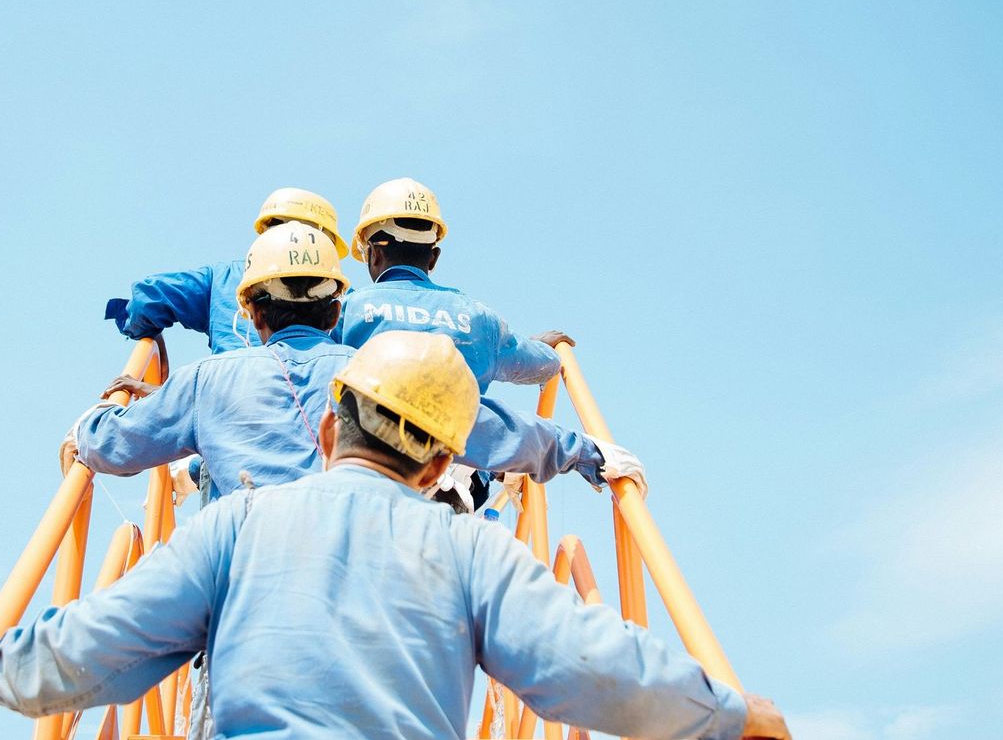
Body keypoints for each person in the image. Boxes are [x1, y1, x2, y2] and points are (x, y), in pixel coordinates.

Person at [0, 331, 790, 740]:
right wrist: (726, 713)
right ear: (439, 464)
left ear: (330, 428)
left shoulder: (234, 526)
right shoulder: (474, 549)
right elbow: (586, 663)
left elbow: (99, 646)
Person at [62, 223, 646, 503]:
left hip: (242, 605)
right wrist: (586, 452)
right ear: (336, 301)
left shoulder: (205, 382)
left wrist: (98, 417)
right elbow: (490, 427)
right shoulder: (382, 374)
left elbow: (111, 447)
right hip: (363, 596)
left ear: (252, 309)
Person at [339, 177, 569, 393]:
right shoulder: (478, 318)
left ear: (375, 254)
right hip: (459, 435)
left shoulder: (348, 310)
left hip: (367, 434)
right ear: (433, 257)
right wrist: (541, 347)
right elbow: (541, 365)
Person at [104, 187, 349, 354]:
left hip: (224, 406)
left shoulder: (221, 280)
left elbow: (148, 299)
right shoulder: (342, 298)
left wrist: (148, 334)